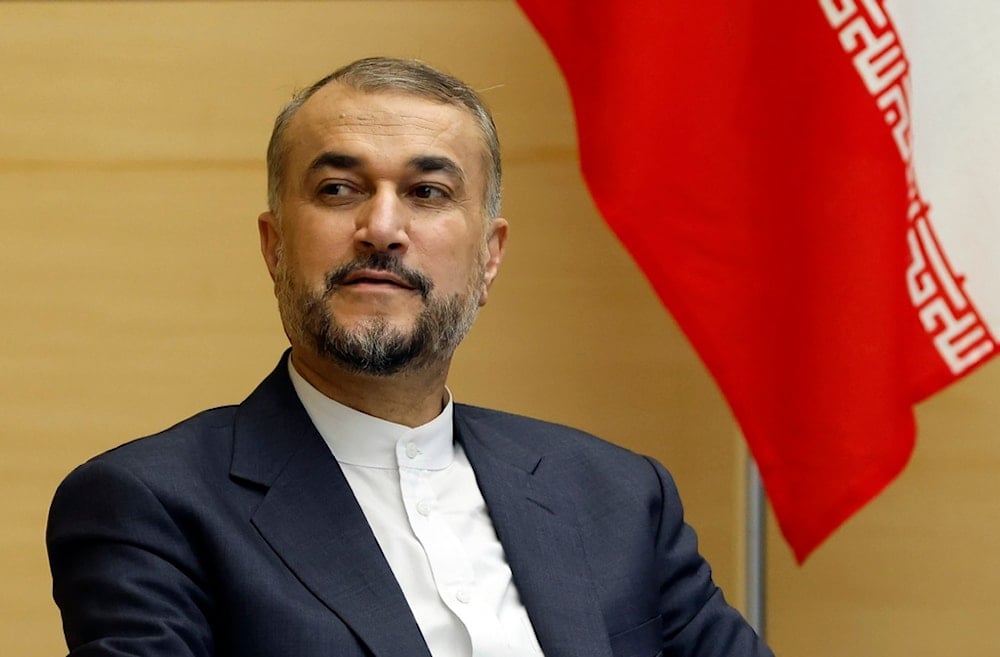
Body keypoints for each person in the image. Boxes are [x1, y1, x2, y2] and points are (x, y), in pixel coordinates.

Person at [47, 57, 774, 657]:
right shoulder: (149, 506)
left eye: (427, 192)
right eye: (339, 189)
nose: (382, 227)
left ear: (489, 259)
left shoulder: (617, 496)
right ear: (274, 247)